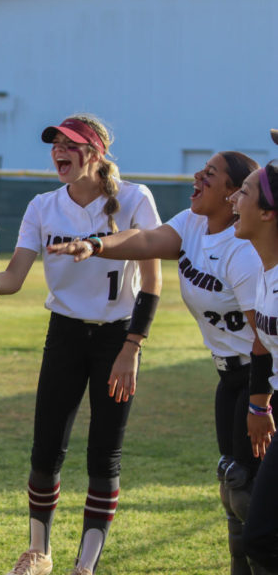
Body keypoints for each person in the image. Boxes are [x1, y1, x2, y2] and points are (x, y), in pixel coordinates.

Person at [47, 151, 268, 574]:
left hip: (260, 374)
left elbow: (266, 338)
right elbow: (144, 240)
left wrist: (261, 403)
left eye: (211, 174)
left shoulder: (241, 254)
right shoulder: (192, 224)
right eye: (200, 170)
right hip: (229, 374)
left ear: (232, 193)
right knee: (232, 483)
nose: (198, 178)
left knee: (248, 490)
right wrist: (96, 245)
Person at [0, 115, 162, 575]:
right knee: (46, 449)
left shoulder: (134, 198)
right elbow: (15, 276)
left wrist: (132, 347)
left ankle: (85, 566)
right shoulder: (43, 205)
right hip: (66, 334)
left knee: (104, 452)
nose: (58, 150)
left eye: (70, 144)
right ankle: (39, 553)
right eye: (54, 143)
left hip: (118, 336)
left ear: (94, 153)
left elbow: (153, 281)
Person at [229, 161, 278, 573]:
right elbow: (262, 344)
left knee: (262, 537)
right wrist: (259, 405)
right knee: (260, 539)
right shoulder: (265, 270)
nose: (233, 199)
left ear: (268, 211)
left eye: (243, 191)